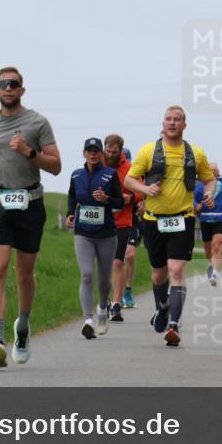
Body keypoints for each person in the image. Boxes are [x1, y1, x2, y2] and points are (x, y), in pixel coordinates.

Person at [0, 66, 61, 367]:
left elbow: (56, 166)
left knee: (24, 274)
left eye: (13, 84)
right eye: (2, 84)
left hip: (30, 202)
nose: (8, 88)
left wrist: (29, 152)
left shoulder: (38, 123)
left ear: (22, 89)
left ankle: (22, 327)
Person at [124, 106, 215, 347]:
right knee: (159, 273)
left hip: (183, 218)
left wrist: (209, 193)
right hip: (154, 220)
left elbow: (209, 179)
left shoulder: (195, 152)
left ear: (185, 125)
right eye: (168, 119)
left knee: (176, 270)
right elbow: (129, 180)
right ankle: (162, 308)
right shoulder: (148, 151)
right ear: (162, 123)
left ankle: (174, 325)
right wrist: (145, 190)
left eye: (177, 120)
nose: (172, 123)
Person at [66, 137, 124, 338]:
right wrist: (70, 213)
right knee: (87, 274)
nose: (92, 154)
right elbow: (72, 196)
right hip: (83, 233)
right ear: (84, 153)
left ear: (102, 154)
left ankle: (102, 309)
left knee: (104, 279)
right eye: (89, 150)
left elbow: (120, 202)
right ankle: (88, 319)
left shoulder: (110, 174)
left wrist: (107, 199)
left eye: (96, 151)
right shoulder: (76, 175)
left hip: (106, 234)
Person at [103, 134, 139, 322]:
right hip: (100, 220)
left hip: (122, 221)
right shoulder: (98, 164)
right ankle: (105, 300)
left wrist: (131, 198)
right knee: (104, 265)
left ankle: (116, 304)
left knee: (118, 262)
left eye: (114, 152)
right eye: (108, 151)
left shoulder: (129, 169)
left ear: (120, 151)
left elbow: (140, 192)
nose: (110, 154)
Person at [194, 163, 222, 286]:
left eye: (215, 170)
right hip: (205, 220)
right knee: (208, 251)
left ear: (218, 172)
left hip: (219, 219)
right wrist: (196, 206)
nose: (213, 171)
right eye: (211, 170)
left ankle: (214, 273)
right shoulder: (200, 187)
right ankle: (210, 264)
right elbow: (194, 200)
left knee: (216, 246)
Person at [121, 147, 139, 309]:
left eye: (127, 159)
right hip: (111, 221)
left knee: (130, 254)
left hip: (132, 220)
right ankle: (114, 293)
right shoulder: (109, 174)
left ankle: (128, 289)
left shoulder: (135, 174)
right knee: (113, 259)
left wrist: (139, 201)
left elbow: (143, 193)